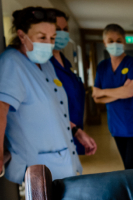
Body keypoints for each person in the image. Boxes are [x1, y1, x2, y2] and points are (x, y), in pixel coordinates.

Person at [0, 7, 95, 183]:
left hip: (62, 161)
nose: (48, 43)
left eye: (52, 38)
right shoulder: (11, 64)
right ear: (21, 35)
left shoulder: (46, 64)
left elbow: (54, 110)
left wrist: (77, 131)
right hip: (38, 167)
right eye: (42, 37)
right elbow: (0, 107)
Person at [93, 23, 133, 170]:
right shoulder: (102, 67)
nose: (115, 44)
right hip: (116, 125)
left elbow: (130, 92)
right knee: (128, 166)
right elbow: (96, 97)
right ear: (105, 43)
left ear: (124, 42)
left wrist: (104, 91)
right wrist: (120, 91)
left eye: (119, 40)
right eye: (111, 40)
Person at [48, 8, 94, 156]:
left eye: (65, 29)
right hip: (55, 137)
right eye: (57, 29)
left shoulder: (66, 64)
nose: (61, 33)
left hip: (72, 134)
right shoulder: (43, 65)